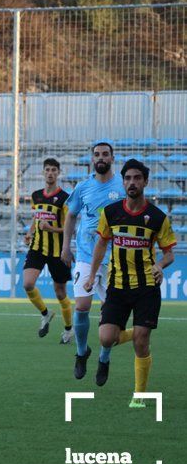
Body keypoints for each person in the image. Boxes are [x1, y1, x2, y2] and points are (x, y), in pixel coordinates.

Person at [84, 159, 176, 401]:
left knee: (141, 341)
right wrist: (92, 275)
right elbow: (101, 244)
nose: (132, 182)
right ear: (123, 182)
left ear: (145, 181)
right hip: (117, 286)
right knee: (106, 338)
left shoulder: (157, 217)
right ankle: (105, 357)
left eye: (137, 178)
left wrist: (159, 265)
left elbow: (169, 253)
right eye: (127, 178)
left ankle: (140, 395)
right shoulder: (111, 213)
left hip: (146, 287)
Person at [61, 142, 133, 380]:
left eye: (105, 154)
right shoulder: (83, 187)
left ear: (112, 158)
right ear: (92, 159)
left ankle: (104, 358)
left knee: (109, 316)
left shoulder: (122, 188)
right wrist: (65, 247)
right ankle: (82, 353)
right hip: (84, 255)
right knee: (81, 306)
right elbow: (71, 215)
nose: (100, 158)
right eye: (96, 155)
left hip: (113, 259)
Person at [23, 158, 74, 343]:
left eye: (54, 170)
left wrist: (51, 229)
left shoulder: (64, 198)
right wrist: (29, 233)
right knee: (28, 284)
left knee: (60, 293)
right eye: (47, 170)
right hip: (37, 247)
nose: (50, 173)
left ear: (58, 173)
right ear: (43, 173)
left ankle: (69, 330)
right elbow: (36, 220)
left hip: (58, 251)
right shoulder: (36, 195)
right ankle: (45, 314)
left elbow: (70, 227)